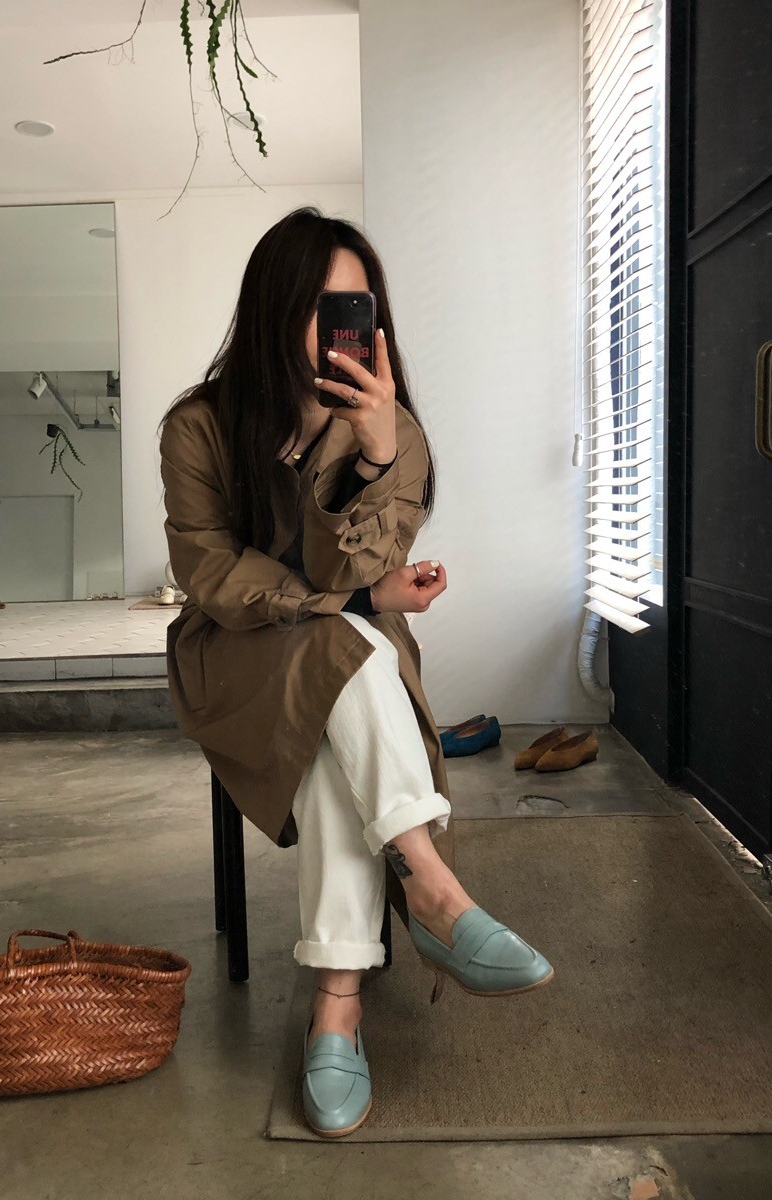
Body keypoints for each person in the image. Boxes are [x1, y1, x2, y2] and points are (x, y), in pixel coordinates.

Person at [158, 207, 554, 1138]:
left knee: (337, 702)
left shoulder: (390, 429)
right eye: (321, 304)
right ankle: (433, 890)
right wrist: (353, 602)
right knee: (346, 647)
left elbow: (360, 566)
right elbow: (212, 576)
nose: (344, 325)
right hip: (231, 654)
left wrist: (374, 458)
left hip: (339, 662)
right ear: (274, 306)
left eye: (357, 305)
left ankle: (338, 1001)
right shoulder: (200, 426)